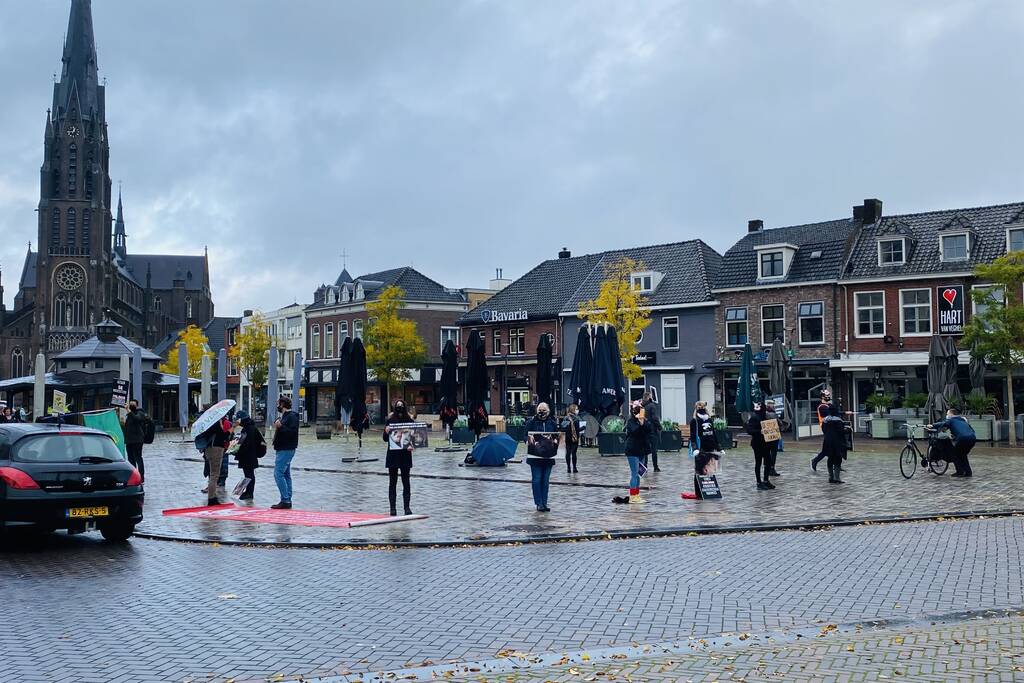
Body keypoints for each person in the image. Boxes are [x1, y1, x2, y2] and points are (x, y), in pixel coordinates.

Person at [383, 400, 416, 516]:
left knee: (406, 482)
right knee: (392, 482)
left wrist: (412, 444)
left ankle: (407, 507)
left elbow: (415, 437)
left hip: (405, 455)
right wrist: (386, 431)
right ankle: (392, 508)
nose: (400, 408)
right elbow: (385, 439)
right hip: (393, 455)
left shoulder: (409, 421)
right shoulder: (390, 420)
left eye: (401, 406)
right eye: (398, 406)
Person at [525, 402, 558, 512]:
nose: (542, 412)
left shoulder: (552, 423)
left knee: (545, 480)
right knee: (537, 479)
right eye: (540, 409)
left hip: (548, 456)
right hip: (535, 455)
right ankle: (539, 503)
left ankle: (544, 502)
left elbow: (556, 436)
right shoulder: (531, 422)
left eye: (544, 410)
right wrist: (528, 441)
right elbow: (525, 435)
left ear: (548, 411)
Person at [929, 407, 976, 477]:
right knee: (963, 454)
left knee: (955, 454)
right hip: (972, 438)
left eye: (947, 414)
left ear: (952, 414)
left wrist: (932, 425)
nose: (946, 416)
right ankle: (968, 472)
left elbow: (943, 423)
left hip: (963, 438)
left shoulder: (951, 420)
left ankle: (960, 472)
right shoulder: (962, 420)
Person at [271, 396, 299, 509]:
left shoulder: (292, 416)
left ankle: (285, 499)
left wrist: (280, 426)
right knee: (286, 474)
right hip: (283, 448)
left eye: (278, 404)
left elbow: (292, 432)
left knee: (278, 473)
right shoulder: (285, 416)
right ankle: (287, 499)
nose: (277, 406)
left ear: (282, 404)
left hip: (286, 449)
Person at [200, 414, 232, 505]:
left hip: (209, 450)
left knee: (212, 474)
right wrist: (232, 428)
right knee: (214, 475)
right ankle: (212, 498)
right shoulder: (216, 424)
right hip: (216, 450)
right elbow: (224, 436)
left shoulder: (208, 423)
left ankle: (213, 496)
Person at [624, 400, 652, 503]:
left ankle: (637, 495)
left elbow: (649, 429)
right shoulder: (630, 421)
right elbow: (634, 432)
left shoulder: (645, 421)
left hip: (641, 450)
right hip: (632, 450)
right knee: (634, 473)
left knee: (640, 474)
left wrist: (642, 422)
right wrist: (640, 424)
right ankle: (632, 496)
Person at [233, 410, 264, 500]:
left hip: (248, 456)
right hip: (248, 455)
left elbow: (247, 444)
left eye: (238, 419)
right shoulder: (248, 427)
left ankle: (249, 493)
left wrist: (237, 450)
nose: (237, 421)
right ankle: (247, 492)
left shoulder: (249, 429)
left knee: (249, 474)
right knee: (248, 474)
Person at [689, 401, 721, 484]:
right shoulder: (694, 421)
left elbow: (713, 434)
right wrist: (695, 448)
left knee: (710, 469)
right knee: (699, 470)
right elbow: (693, 437)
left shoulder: (709, 420)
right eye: (699, 407)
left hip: (710, 447)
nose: (701, 408)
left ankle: (709, 486)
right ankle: (698, 489)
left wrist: (719, 448)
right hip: (701, 448)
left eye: (702, 407)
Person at [746, 401, 776, 490]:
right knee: (758, 462)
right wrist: (760, 432)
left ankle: (766, 480)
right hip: (757, 444)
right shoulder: (754, 417)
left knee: (768, 462)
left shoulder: (765, 417)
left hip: (766, 443)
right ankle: (759, 482)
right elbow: (749, 430)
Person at [122, 400, 153, 482]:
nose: (131, 405)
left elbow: (137, 419)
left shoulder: (140, 412)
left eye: (133, 404)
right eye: (130, 403)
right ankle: (133, 477)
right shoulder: (129, 415)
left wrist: (128, 410)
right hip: (129, 441)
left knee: (138, 458)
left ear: (137, 405)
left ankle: (141, 478)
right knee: (131, 460)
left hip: (137, 441)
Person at [821, 402, 848, 484]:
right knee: (838, 459)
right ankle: (837, 478)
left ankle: (831, 477)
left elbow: (823, 430)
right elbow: (841, 432)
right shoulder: (838, 420)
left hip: (827, 442)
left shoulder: (825, 420)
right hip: (837, 442)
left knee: (830, 459)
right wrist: (847, 430)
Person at [810, 389, 833, 471]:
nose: (828, 397)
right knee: (827, 449)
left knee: (830, 448)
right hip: (826, 428)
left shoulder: (828, 405)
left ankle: (836, 465)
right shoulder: (822, 407)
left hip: (831, 428)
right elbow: (830, 414)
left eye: (829, 395)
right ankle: (815, 461)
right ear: (822, 397)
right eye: (827, 396)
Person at [642, 392, 662, 471]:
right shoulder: (652, 406)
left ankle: (644, 466)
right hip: (652, 431)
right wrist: (659, 427)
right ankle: (655, 467)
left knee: (645, 450)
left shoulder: (642, 406)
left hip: (644, 431)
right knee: (654, 450)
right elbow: (654, 418)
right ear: (649, 397)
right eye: (651, 396)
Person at [764, 399, 781, 477]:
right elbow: (778, 422)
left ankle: (767, 468)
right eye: (773, 405)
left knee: (767, 452)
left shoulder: (764, 413)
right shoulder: (773, 414)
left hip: (766, 436)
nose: (774, 406)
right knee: (773, 453)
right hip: (773, 435)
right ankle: (772, 468)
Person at [562, 404, 581, 473]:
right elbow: (577, 429)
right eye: (576, 409)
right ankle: (574, 468)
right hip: (574, 438)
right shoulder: (577, 418)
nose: (577, 410)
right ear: (573, 410)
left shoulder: (566, 418)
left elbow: (563, 427)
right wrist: (583, 428)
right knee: (574, 453)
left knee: (568, 452)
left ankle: (568, 468)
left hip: (567, 437)